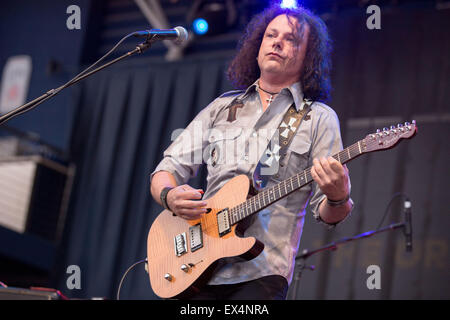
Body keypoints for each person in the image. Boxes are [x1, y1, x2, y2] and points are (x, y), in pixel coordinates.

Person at [150, 4, 353, 300]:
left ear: (308, 57)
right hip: (194, 267)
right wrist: (169, 195)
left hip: (261, 275)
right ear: (258, 46)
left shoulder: (318, 118)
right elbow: (167, 169)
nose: (277, 42)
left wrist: (338, 196)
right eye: (271, 35)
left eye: (292, 39)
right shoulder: (221, 107)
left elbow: (330, 214)